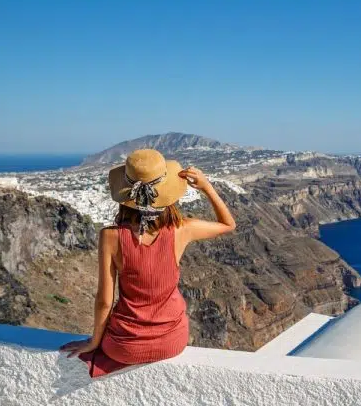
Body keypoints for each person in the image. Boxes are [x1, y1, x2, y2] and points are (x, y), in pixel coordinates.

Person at [59, 149, 236, 377]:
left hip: (125, 348)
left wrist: (94, 342)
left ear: (126, 197)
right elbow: (228, 224)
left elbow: (104, 300)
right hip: (172, 342)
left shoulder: (111, 237)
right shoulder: (183, 229)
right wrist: (207, 187)